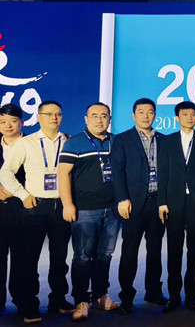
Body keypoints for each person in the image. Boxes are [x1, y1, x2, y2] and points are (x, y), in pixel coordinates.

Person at [0, 101, 73, 324]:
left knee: (59, 259)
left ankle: (58, 300)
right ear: (38, 117)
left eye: (58, 114)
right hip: (34, 207)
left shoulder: (70, 142)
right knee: (29, 260)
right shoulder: (27, 142)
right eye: (48, 114)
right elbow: (5, 172)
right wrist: (23, 195)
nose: (54, 117)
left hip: (61, 206)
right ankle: (29, 305)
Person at [58, 102, 120, 321]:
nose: (99, 120)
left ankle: (100, 296)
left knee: (105, 255)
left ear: (109, 119)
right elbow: (63, 174)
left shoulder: (116, 141)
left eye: (104, 116)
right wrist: (68, 204)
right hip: (84, 210)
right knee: (83, 257)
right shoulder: (74, 142)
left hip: (112, 210)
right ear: (86, 119)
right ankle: (81, 300)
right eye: (94, 116)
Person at [112, 98, 167, 315]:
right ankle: (126, 296)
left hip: (157, 204)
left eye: (150, 112)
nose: (146, 116)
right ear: (134, 115)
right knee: (129, 252)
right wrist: (122, 199)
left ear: (155, 115)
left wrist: (165, 201)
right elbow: (117, 171)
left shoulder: (163, 139)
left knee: (155, 251)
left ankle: (153, 292)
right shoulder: (122, 139)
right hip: (133, 205)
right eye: (141, 112)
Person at [158, 101, 195, 313]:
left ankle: (191, 296)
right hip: (173, 203)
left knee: (194, 252)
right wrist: (162, 202)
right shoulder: (167, 141)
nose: (189, 118)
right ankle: (174, 297)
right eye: (184, 114)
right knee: (174, 251)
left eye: (192, 114)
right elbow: (163, 172)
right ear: (177, 118)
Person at [0, 104, 25, 313]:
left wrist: (14, 191)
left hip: (23, 208)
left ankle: (21, 299)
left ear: (22, 123)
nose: (8, 125)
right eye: (3, 122)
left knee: (21, 258)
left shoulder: (32, 144)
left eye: (13, 121)